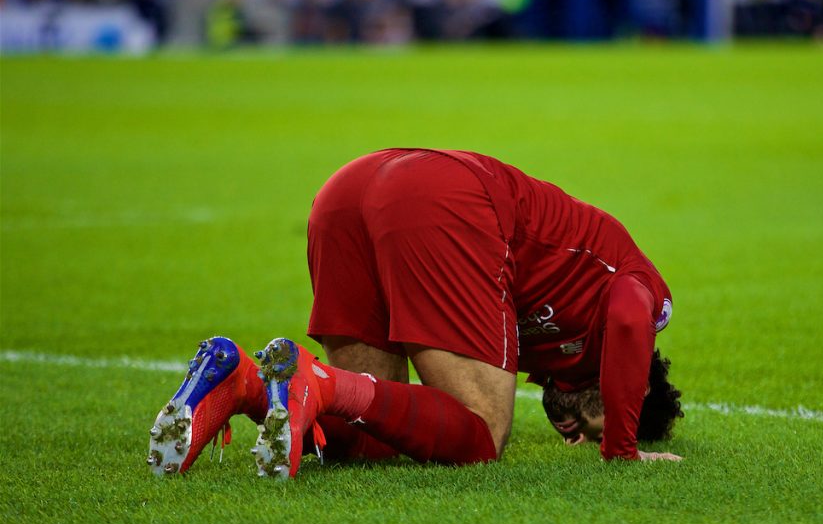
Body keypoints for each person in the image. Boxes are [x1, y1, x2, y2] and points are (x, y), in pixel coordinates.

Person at [147, 148, 683, 478]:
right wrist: (622, 450)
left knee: (370, 441)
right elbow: (632, 319)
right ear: (629, 386)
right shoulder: (633, 294)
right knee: (479, 438)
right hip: (446, 199)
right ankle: (318, 382)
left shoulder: (550, 338)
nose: (574, 436)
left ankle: (243, 380)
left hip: (350, 190)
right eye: (593, 426)